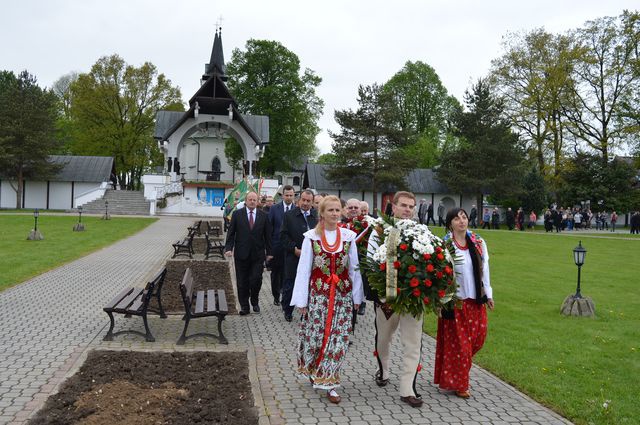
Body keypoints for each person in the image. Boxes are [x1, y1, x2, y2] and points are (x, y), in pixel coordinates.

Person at [291, 195, 364, 404]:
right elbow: (304, 270)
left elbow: (354, 269)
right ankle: (315, 370)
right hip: (318, 297)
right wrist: (301, 301)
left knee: (338, 339)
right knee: (316, 336)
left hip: (341, 296)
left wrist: (357, 297)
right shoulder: (311, 237)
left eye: (337, 210)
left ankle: (331, 383)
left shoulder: (349, 237)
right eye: (330, 210)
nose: (334, 214)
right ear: (321, 213)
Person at [367, 191, 425, 408]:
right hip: (388, 297)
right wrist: (382, 291)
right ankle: (383, 370)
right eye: (404, 205)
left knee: (413, 343)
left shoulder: (423, 232)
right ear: (393, 207)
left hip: (413, 298)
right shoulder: (380, 231)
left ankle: (408, 388)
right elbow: (372, 263)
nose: (408, 210)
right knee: (384, 337)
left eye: (411, 206)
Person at [434, 208, 494, 399]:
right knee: (461, 346)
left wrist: (489, 294)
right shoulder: (444, 244)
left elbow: (485, 269)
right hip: (455, 302)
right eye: (457, 218)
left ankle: (453, 374)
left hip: (476, 300)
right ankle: (460, 384)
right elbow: (438, 274)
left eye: (464, 217)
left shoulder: (478, 241)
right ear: (450, 222)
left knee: (477, 339)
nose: (462, 221)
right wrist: (439, 301)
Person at [224, 191, 273, 315]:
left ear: (257, 202)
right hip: (241, 253)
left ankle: (254, 300)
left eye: (254, 200)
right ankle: (244, 306)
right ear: (245, 201)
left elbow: (268, 236)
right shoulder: (237, 215)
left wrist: (270, 252)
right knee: (242, 281)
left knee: (255, 279)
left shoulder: (264, 216)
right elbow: (231, 233)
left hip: (258, 254)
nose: (252, 201)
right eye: (250, 199)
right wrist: (228, 248)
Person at [280, 189, 318, 322]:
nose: (306, 203)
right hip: (294, 255)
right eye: (303, 200)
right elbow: (283, 235)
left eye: (309, 201)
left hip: (312, 258)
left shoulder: (316, 216)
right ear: (298, 200)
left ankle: (305, 311)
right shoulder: (289, 215)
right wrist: (294, 249)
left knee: (308, 284)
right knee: (290, 283)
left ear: (312, 202)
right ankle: (288, 310)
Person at [268, 185, 296, 306]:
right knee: (276, 273)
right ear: (282, 195)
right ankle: (276, 295)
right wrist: (269, 249)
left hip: (291, 247)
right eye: (287, 195)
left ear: (294, 196)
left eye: (291, 195)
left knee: (288, 273)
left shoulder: (297, 209)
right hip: (277, 247)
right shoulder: (274, 209)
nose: (289, 197)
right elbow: (269, 228)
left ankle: (286, 297)